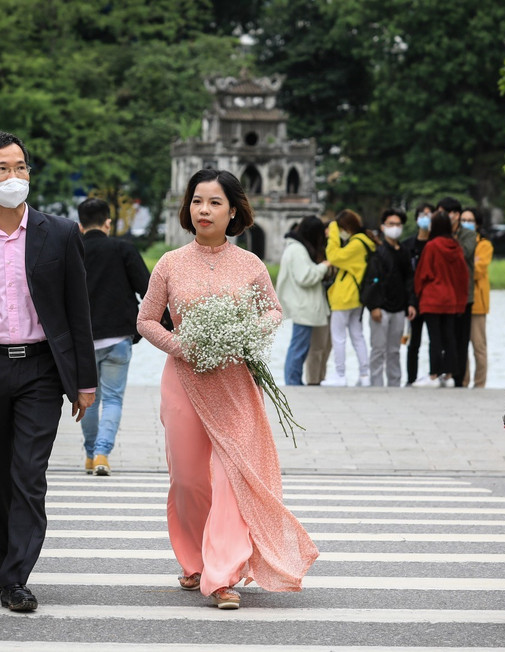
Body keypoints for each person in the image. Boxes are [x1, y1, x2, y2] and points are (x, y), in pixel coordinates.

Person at [137, 168, 319, 609]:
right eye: (198, 201)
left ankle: (222, 575)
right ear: (188, 207)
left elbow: (274, 312)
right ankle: (196, 559)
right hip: (183, 381)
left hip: (235, 383)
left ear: (233, 211)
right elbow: (144, 320)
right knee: (188, 478)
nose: (204, 210)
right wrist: (180, 346)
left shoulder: (251, 264)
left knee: (229, 477)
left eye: (215, 202)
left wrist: (243, 336)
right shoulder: (170, 263)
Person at [0, 131, 97, 612]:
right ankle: (4, 563)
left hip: (40, 371)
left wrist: (85, 381)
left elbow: (79, 310)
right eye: (2, 169)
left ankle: (16, 578)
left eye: (21, 167)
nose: (14, 177)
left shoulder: (59, 232)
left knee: (28, 473)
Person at [77, 197, 151, 475]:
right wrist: (166, 322)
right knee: (114, 399)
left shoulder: (73, 251)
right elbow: (148, 289)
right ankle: (101, 454)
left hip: (83, 342)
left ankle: (89, 454)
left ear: (80, 225)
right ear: (108, 222)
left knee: (87, 398)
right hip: (118, 338)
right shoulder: (123, 249)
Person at [412, 211, 468, 387]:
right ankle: (449, 375)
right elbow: (463, 276)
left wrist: (418, 293)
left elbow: (423, 274)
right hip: (450, 298)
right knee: (449, 336)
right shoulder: (456, 247)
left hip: (432, 298)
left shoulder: (431, 246)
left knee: (434, 337)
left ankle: (434, 375)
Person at [323, 209, 377, 386]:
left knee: (339, 336)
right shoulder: (365, 242)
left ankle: (340, 375)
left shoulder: (356, 244)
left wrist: (332, 232)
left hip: (345, 296)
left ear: (345, 227)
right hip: (356, 297)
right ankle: (364, 375)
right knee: (357, 335)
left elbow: (333, 256)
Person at [276, 216, 331, 385]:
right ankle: (293, 382)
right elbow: (305, 277)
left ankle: (294, 380)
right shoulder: (297, 250)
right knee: (299, 347)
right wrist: (324, 266)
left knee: (300, 346)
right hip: (303, 306)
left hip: (303, 305)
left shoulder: (295, 248)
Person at [366, 209, 416, 387]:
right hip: (381, 309)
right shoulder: (378, 252)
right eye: (390, 224)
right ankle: (376, 385)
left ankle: (395, 384)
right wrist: (374, 306)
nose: (394, 228)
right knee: (378, 349)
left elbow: (409, 279)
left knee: (394, 350)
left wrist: (411, 303)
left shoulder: (404, 251)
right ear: (383, 226)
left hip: (399, 308)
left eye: (397, 224)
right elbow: (371, 281)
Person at [438, 196, 474, 387]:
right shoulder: (438, 233)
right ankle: (446, 373)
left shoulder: (467, 234)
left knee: (461, 338)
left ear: (456, 214)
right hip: (443, 295)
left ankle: (459, 379)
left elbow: (463, 253)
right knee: (444, 337)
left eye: (447, 212)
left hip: (464, 296)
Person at [400, 203, 432, 385]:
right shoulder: (407, 246)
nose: (426, 218)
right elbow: (406, 276)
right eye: (422, 214)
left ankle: (432, 376)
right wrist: (409, 301)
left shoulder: (436, 244)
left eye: (429, 214)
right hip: (414, 301)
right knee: (414, 343)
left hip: (432, 300)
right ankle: (411, 379)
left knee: (435, 342)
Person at [464, 208, 493, 388]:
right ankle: (463, 381)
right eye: (463, 220)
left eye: (470, 220)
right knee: (461, 346)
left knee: (479, 347)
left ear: (477, 224)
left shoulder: (484, 244)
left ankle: (479, 384)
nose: (466, 223)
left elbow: (477, 269)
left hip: (477, 303)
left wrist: (464, 265)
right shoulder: (457, 241)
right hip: (459, 303)